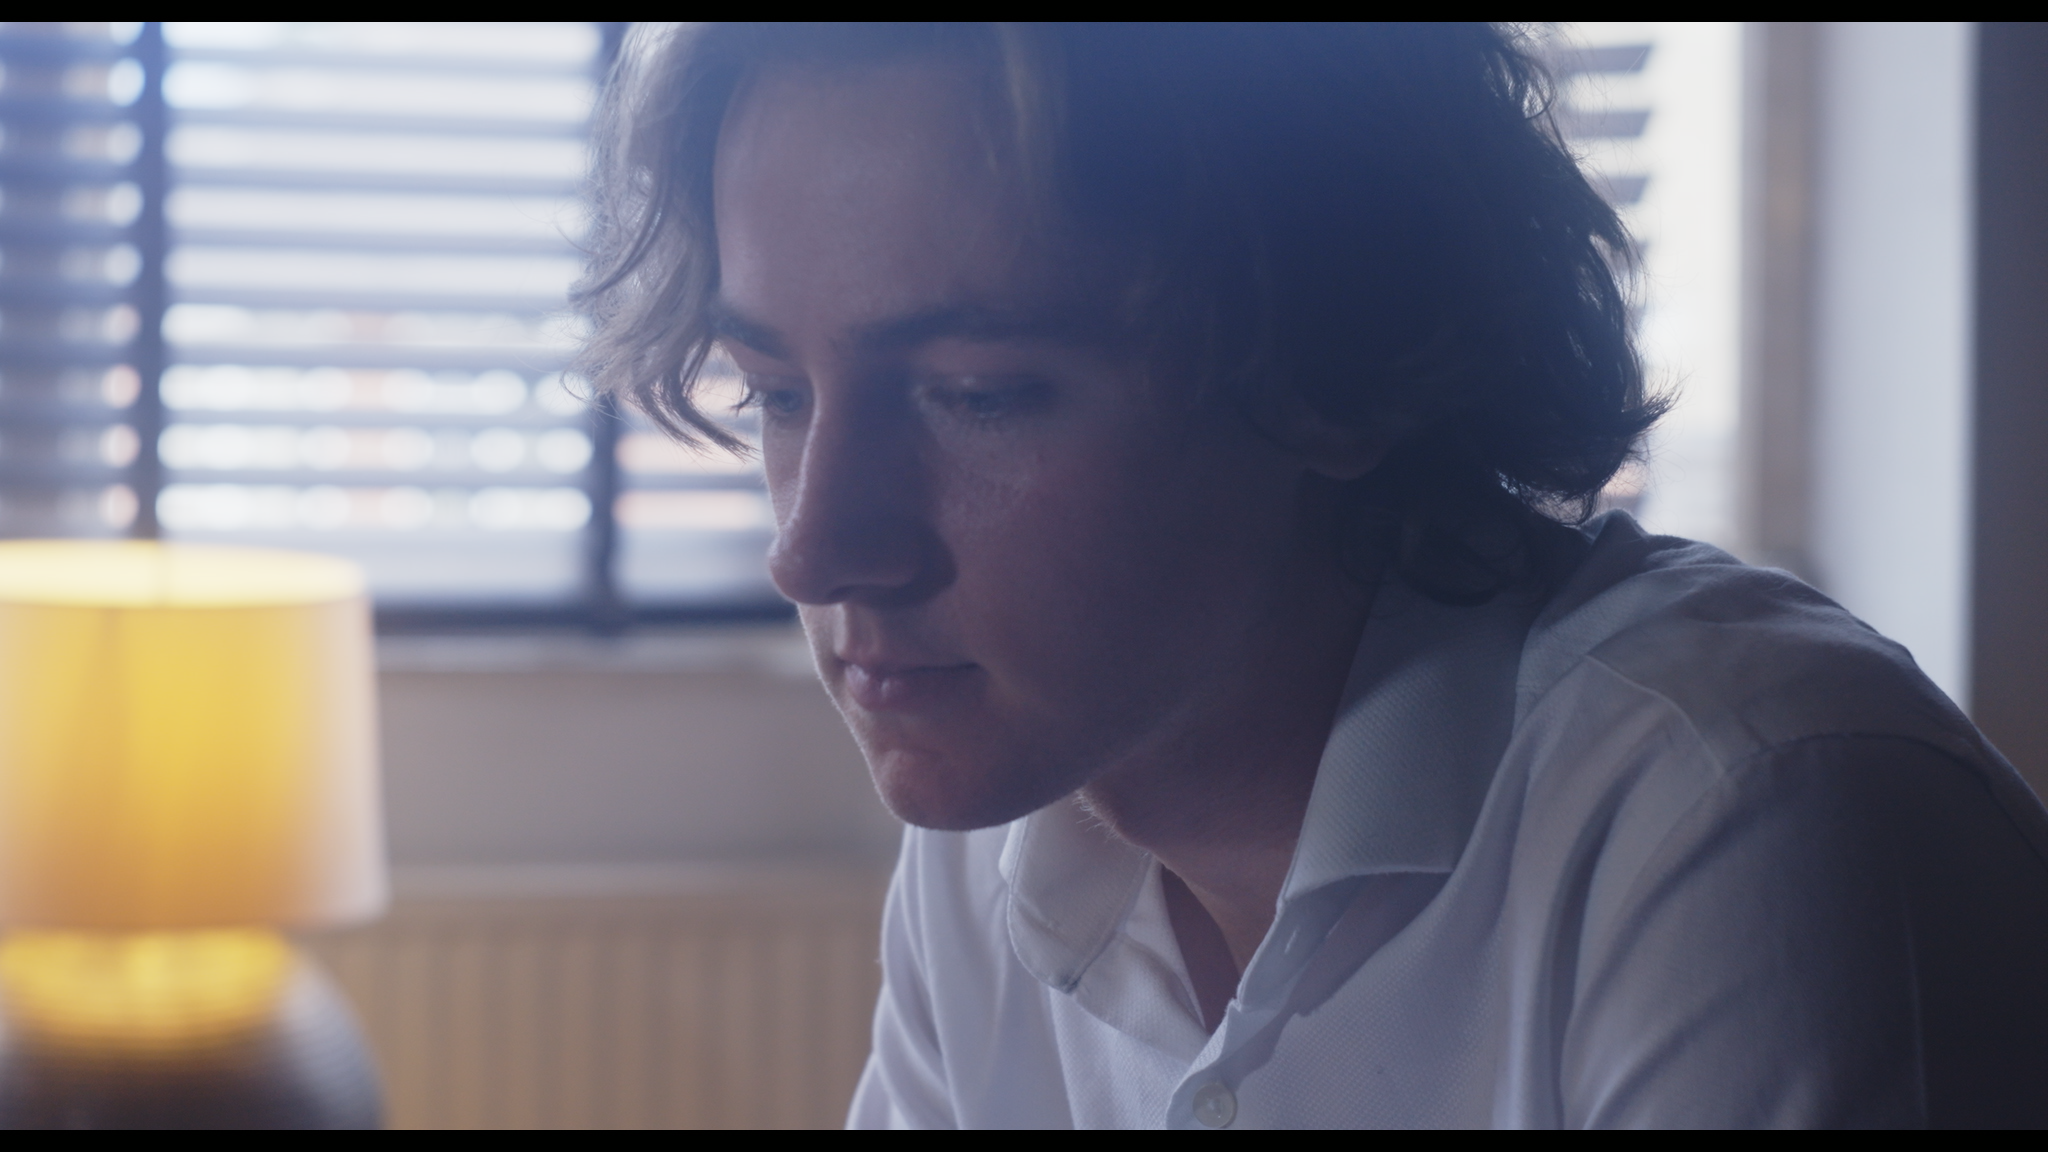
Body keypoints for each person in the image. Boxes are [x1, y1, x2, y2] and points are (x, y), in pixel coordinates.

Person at [577, 22, 2048, 1128]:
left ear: (1341, 362)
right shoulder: (1006, 826)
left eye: (979, 393)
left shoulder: (1753, 830)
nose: (813, 546)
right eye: (774, 393)